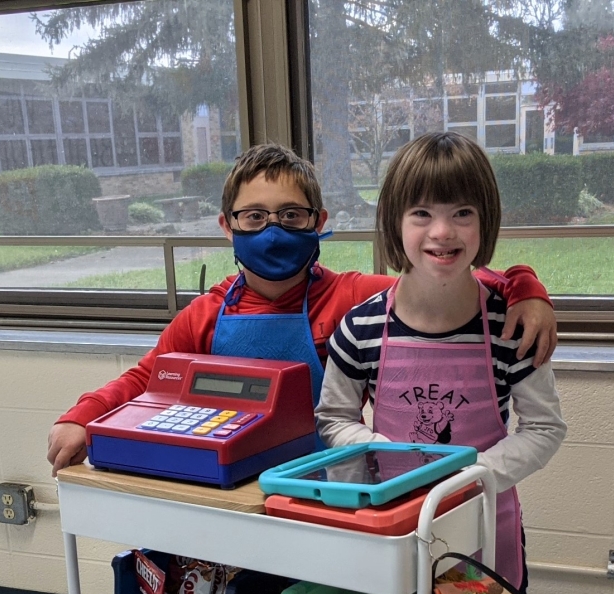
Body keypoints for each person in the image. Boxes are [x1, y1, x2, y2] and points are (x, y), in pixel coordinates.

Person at [315, 132, 568, 594]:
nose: (443, 233)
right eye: (422, 213)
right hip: (392, 539)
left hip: (487, 544)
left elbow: (546, 427)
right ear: (395, 221)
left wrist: (468, 476)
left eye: (462, 213)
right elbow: (331, 417)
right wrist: (390, 451)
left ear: (484, 225)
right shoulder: (363, 325)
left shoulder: (508, 324)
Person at [47, 143, 558, 473]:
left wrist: (523, 286)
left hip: (328, 492)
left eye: (291, 215)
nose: (273, 230)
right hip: (232, 489)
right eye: (254, 217)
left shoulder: (352, 297)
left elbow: (442, 273)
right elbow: (146, 378)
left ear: (319, 221)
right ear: (227, 226)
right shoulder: (203, 315)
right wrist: (83, 417)